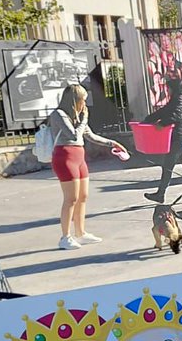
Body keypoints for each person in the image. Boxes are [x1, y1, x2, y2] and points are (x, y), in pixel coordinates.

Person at [46, 84, 127, 250]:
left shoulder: (77, 117)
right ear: (74, 100)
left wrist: (112, 143)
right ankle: (65, 237)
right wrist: (84, 119)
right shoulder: (58, 115)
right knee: (71, 199)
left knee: (83, 196)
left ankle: (80, 233)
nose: (85, 104)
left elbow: (89, 135)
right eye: (83, 100)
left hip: (79, 157)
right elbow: (73, 135)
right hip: (65, 157)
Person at [143, 79, 182, 204]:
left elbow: (177, 115)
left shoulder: (179, 99)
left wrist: (162, 123)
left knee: (167, 167)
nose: (168, 90)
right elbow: (164, 111)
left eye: (169, 88)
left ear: (174, 88)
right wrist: (148, 119)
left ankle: (160, 194)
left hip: (178, 138)